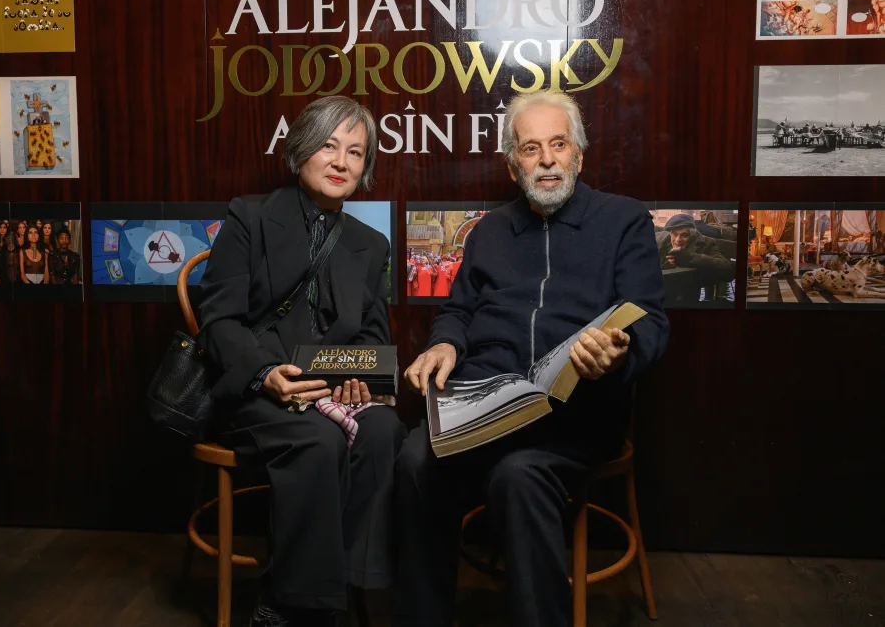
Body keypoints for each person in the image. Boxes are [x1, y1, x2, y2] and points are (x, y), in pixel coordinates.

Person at [392, 89, 669, 627]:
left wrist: (616, 357)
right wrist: (444, 342)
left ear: (579, 155)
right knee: (414, 459)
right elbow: (457, 309)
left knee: (516, 477)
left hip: (576, 415)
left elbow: (651, 322)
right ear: (512, 162)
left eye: (558, 144)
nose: (546, 159)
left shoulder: (624, 221)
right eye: (530, 148)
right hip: (486, 403)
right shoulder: (490, 230)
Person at [197, 96, 404, 627]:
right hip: (257, 390)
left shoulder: (370, 243)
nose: (341, 162)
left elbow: (375, 334)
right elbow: (219, 321)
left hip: (333, 392)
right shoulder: (250, 216)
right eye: (329, 145)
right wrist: (265, 375)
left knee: (383, 430)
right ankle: (296, 605)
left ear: (365, 168)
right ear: (300, 150)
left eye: (356, 152)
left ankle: (350, 587)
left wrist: (361, 375)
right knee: (318, 440)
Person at [656, 214, 735, 302]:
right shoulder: (660, 240)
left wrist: (690, 258)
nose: (678, 239)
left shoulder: (706, 243)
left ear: (692, 235)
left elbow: (726, 266)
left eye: (684, 235)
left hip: (688, 295)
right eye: (675, 234)